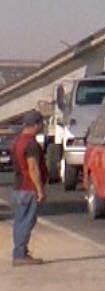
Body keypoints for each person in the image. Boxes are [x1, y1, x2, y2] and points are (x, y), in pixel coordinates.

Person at [12, 110, 46, 266]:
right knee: (27, 221)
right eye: (41, 124)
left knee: (20, 220)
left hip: (19, 186)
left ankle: (20, 252)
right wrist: (39, 189)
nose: (42, 127)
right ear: (36, 125)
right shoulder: (31, 144)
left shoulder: (17, 141)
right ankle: (20, 254)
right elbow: (33, 168)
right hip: (28, 187)